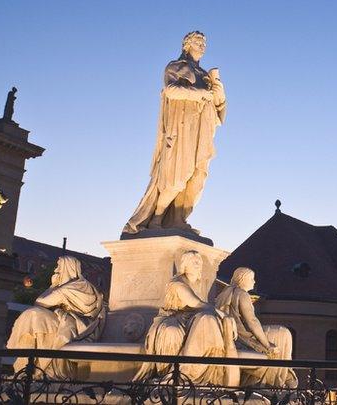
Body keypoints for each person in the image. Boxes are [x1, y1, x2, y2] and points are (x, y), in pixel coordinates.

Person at [125, 31, 227, 234]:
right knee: (177, 176)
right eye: (198, 41)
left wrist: (216, 83)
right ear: (186, 45)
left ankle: (179, 218)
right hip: (182, 128)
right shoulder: (176, 66)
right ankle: (156, 218)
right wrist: (201, 94)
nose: (202, 45)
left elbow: (219, 103)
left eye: (204, 42)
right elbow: (170, 90)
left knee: (198, 178)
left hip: (203, 130)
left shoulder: (205, 76)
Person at [134, 251, 231, 384]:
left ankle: (190, 372)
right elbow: (196, 303)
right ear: (185, 265)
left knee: (207, 320)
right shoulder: (177, 283)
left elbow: (200, 306)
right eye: (194, 262)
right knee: (172, 331)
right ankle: (169, 375)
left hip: (190, 318)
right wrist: (223, 314)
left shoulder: (198, 283)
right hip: (173, 317)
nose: (198, 264)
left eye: (199, 262)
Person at [6, 256, 105, 379]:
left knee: (34, 314)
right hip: (70, 322)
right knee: (34, 317)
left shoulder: (72, 287)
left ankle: (33, 370)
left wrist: (54, 287)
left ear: (67, 268)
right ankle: (28, 369)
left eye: (59, 267)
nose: (55, 270)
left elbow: (40, 302)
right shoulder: (78, 285)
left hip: (77, 325)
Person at [215, 268, 297, 388]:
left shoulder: (224, 293)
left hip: (235, 336)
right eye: (252, 279)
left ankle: (284, 375)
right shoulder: (242, 294)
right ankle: (281, 378)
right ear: (243, 279)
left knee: (280, 333)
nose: (254, 282)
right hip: (242, 338)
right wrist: (267, 345)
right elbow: (252, 321)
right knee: (283, 333)